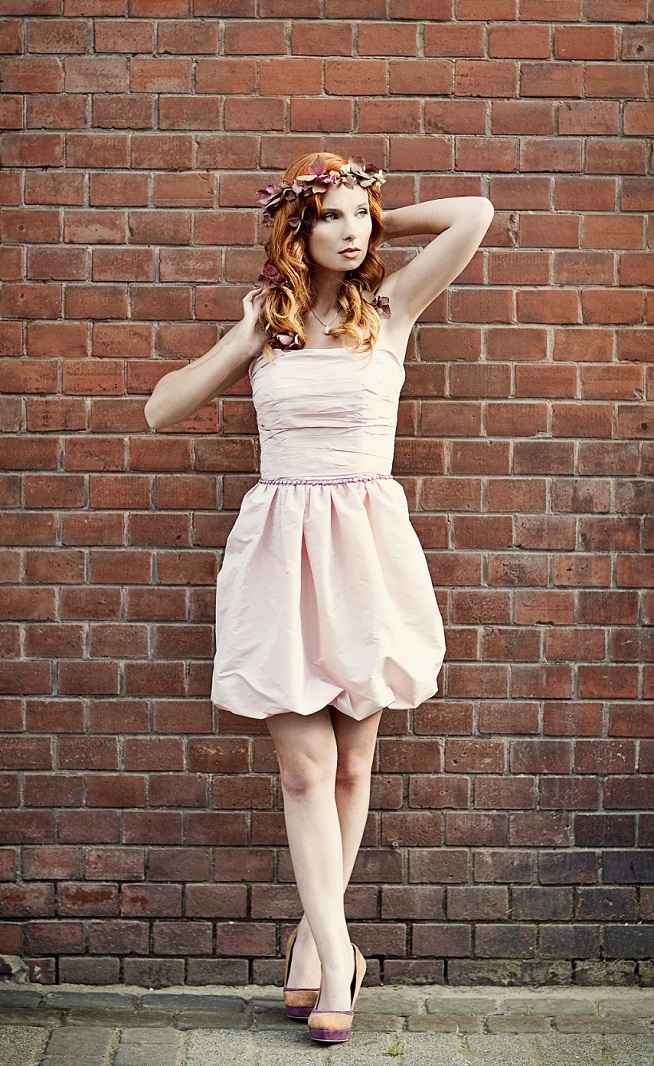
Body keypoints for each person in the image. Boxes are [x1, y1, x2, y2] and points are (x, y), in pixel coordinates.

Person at [144, 152, 494, 1044]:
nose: (349, 231)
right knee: (303, 768)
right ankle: (340, 961)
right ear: (295, 231)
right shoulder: (268, 322)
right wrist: (243, 339)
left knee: (350, 767)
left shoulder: (392, 308)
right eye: (328, 217)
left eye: (357, 217)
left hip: (366, 554)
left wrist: (375, 212)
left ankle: (314, 940)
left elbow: (474, 214)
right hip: (282, 553)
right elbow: (159, 410)